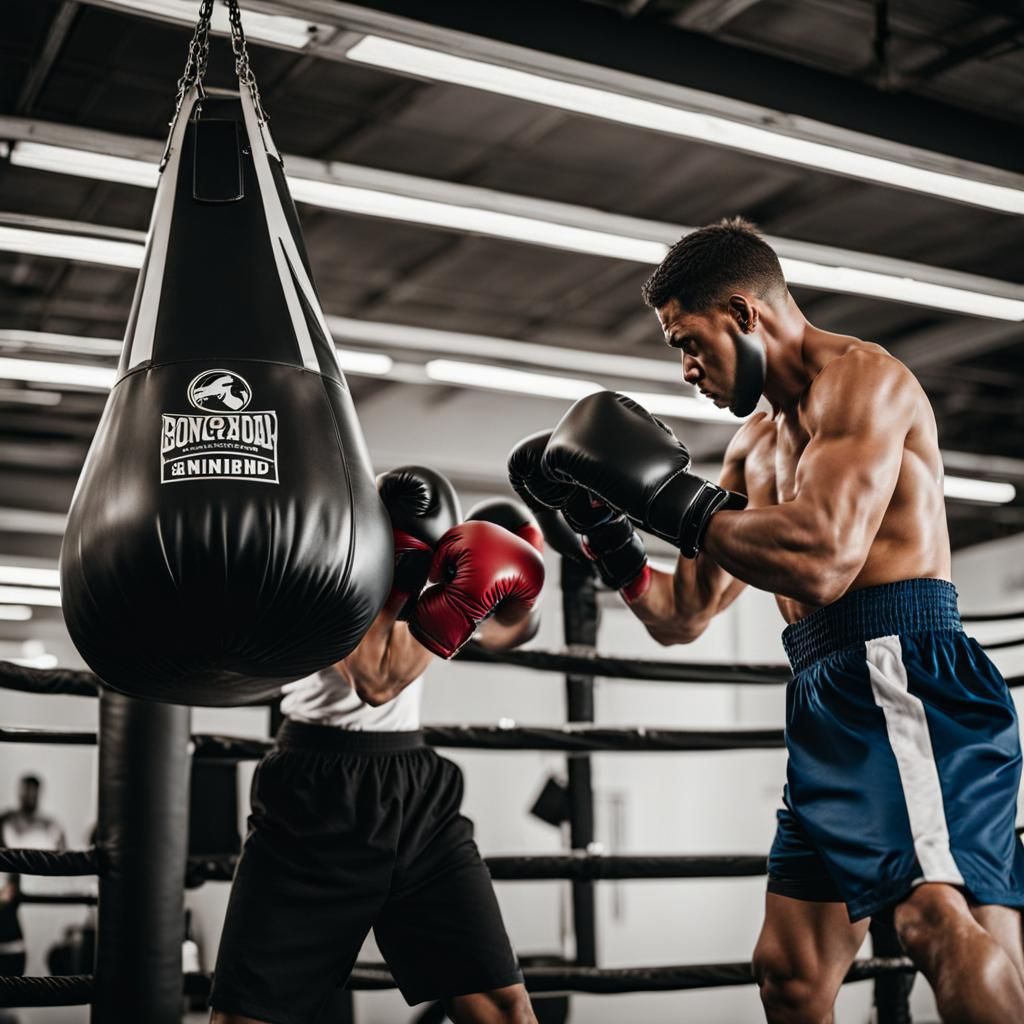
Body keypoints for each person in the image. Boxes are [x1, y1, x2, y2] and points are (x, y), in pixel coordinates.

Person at [509, 218, 1024, 1024]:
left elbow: (824, 560)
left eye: (689, 341)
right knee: (789, 971)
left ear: (745, 315)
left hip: (904, 675)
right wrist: (610, 532)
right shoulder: (751, 448)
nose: (685, 370)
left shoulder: (863, 381)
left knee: (930, 921)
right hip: (826, 695)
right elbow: (682, 615)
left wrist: (658, 497)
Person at [210, 466, 544, 1024]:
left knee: (503, 1006)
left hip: (416, 792)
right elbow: (375, 681)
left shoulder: (422, 559)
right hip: (318, 795)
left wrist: (514, 585)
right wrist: (455, 599)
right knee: (247, 1017)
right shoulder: (322, 552)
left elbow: (508, 631)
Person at [0, 774, 67, 979]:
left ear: (39, 794)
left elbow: (63, 859)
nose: (27, 796)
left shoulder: (50, 826)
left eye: (31, 792)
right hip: (10, 889)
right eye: (24, 792)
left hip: (33, 890)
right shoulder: (6, 820)